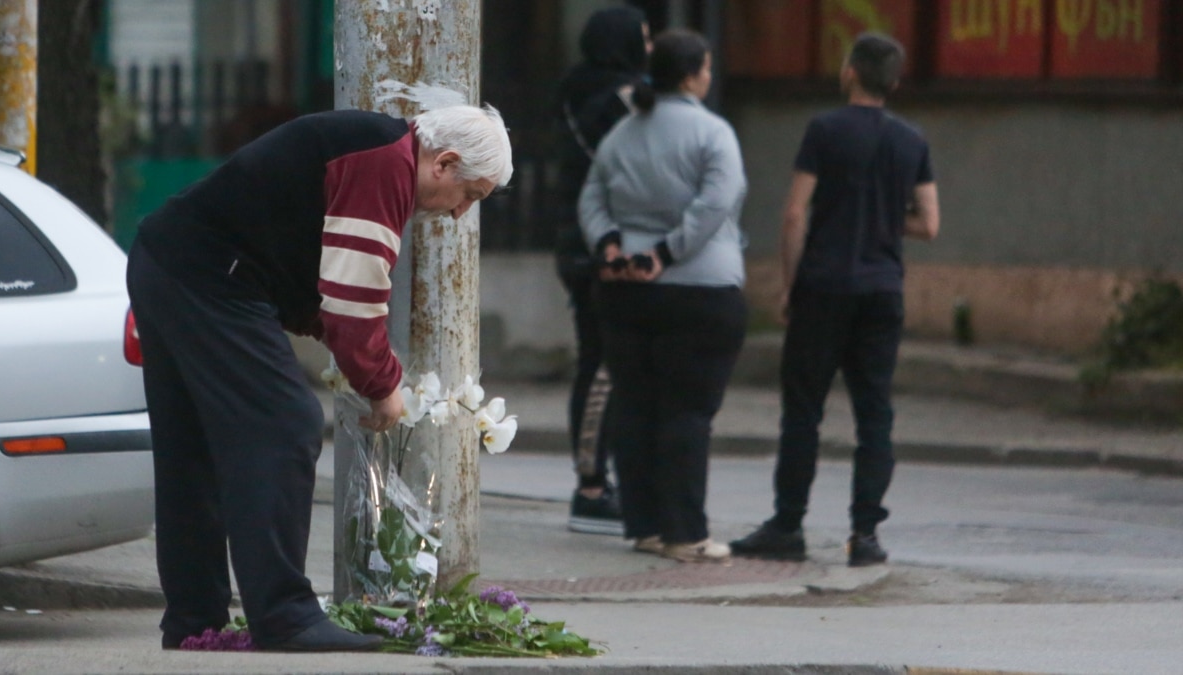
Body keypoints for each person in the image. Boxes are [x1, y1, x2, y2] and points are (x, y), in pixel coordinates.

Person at [126, 105, 513, 651]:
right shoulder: (386, 164)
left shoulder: (378, 148)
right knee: (286, 424)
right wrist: (382, 385)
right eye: (471, 194)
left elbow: (321, 277)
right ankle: (285, 616)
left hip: (170, 259)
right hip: (211, 276)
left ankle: (196, 623)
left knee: (195, 452)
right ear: (444, 163)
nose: (459, 213)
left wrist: (353, 354)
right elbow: (354, 299)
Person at [730, 33, 940, 567]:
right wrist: (882, 213)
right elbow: (930, 224)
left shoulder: (824, 130)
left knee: (802, 411)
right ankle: (865, 535)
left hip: (823, 287)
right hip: (881, 291)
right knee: (875, 414)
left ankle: (787, 525)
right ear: (893, 82)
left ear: (850, 73)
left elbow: (795, 213)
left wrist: (788, 284)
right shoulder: (912, 141)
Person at [578, 28, 748, 563]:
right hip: (700, 289)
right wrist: (669, 252)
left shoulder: (623, 133)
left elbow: (592, 196)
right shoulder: (713, 133)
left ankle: (645, 525)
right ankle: (686, 533)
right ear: (695, 73)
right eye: (708, 68)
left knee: (634, 406)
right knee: (688, 413)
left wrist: (610, 245)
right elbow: (717, 201)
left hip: (625, 289)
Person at [551, 6, 652, 536]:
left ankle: (599, 481)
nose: (651, 49)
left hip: (579, 242)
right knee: (604, 362)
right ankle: (591, 487)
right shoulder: (620, 101)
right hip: (601, 245)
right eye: (644, 39)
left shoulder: (577, 89)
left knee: (601, 359)